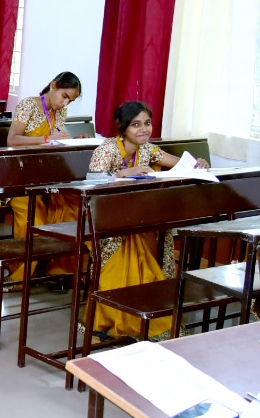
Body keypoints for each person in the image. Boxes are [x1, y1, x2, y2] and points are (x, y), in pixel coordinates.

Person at [82, 100, 208, 340]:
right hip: (109, 221)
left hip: (141, 217)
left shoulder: (148, 150)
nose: (143, 129)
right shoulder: (106, 150)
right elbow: (91, 183)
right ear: (123, 128)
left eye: (147, 123)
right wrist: (123, 173)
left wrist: (198, 164)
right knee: (133, 244)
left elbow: (181, 165)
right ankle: (116, 318)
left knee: (159, 229)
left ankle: (149, 312)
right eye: (136, 124)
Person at [6, 72, 84, 278]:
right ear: (53, 86)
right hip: (22, 174)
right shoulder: (28, 105)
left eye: (70, 101)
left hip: (49, 173)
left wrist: (76, 139)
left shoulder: (60, 112)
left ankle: (58, 269)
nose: (65, 103)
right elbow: (12, 140)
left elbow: (56, 141)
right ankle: (21, 274)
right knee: (35, 218)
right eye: (64, 96)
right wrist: (47, 139)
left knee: (73, 207)